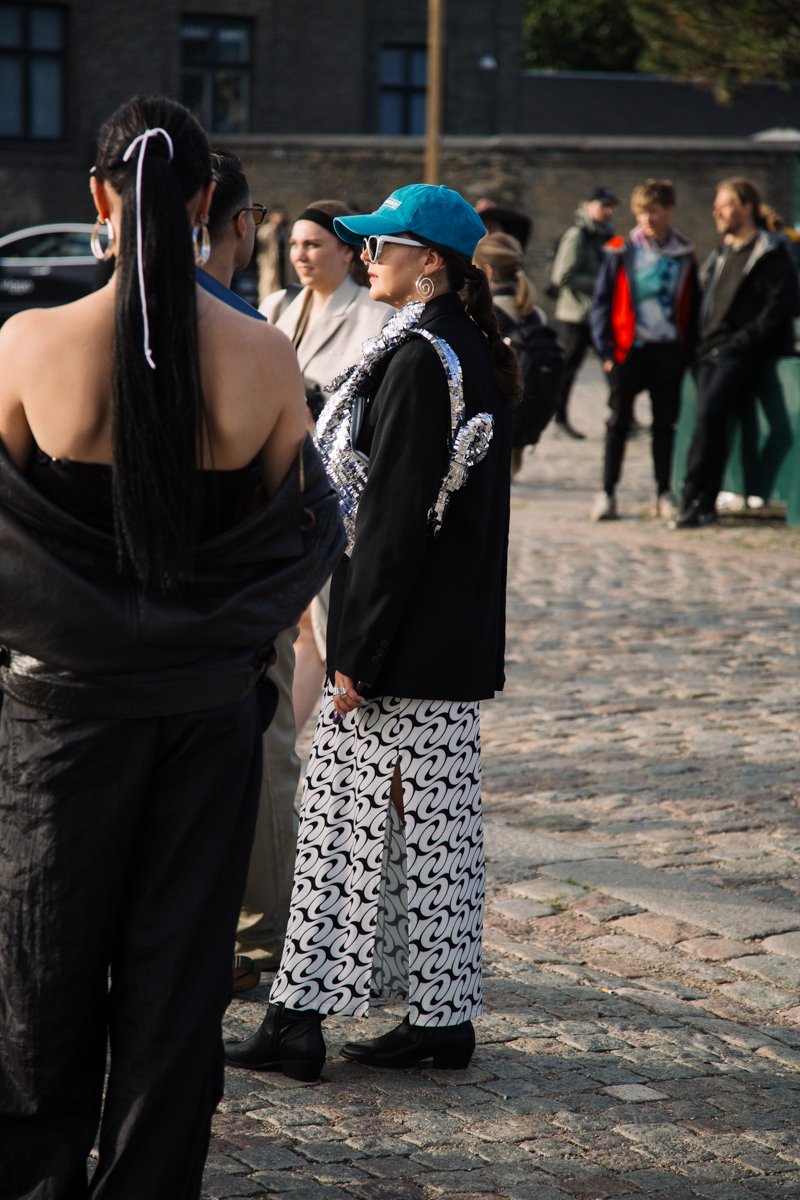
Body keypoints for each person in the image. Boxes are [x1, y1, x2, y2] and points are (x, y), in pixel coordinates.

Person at [0, 96, 344, 1199]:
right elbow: (305, 539)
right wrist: (206, 635)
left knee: (39, 975)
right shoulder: (264, 356)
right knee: (177, 975)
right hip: (202, 717)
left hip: (58, 715)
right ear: (207, 204)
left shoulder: (26, 342)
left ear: (96, 198)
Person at [224, 182, 517, 1082]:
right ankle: (441, 1015)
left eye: (385, 246)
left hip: (396, 645)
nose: (368, 256)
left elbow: (392, 526)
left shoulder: (425, 358)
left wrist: (356, 654)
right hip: (440, 641)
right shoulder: (457, 347)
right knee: (434, 832)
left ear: (431, 262)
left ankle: (297, 1023)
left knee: (334, 829)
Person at [197, 150, 301, 987]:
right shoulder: (253, 339)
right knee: (266, 752)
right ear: (240, 224)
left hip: (110, 604)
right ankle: (260, 942)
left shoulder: (59, 328)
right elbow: (301, 501)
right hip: (236, 597)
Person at [261, 200, 392, 733]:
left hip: (333, 491)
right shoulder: (274, 307)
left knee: (324, 621)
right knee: (290, 624)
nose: (301, 255)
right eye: (294, 244)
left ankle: (325, 744)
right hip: (275, 486)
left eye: (314, 244)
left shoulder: (373, 315)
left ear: (347, 251)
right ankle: (287, 738)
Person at [675, 177, 800, 528]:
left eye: (726, 204)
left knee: (711, 415)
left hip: (742, 352)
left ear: (747, 208)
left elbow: (781, 306)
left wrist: (741, 342)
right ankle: (699, 500)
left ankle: (696, 498)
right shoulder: (721, 254)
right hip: (710, 352)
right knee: (707, 421)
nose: (718, 211)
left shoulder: (770, 254)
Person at [590, 179, 700, 522]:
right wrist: (606, 352)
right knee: (618, 423)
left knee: (665, 426)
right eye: (640, 212)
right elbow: (601, 302)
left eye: (653, 211)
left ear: (668, 210)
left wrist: (688, 352)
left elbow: (694, 305)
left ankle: (663, 492)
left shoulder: (684, 254)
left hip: (668, 350)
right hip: (627, 351)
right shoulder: (621, 250)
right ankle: (607, 492)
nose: (647, 219)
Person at [473, 231, 562, 476]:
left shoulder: (478, 315)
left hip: (489, 423)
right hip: (522, 420)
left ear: (487, 271)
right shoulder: (536, 314)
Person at [549, 185, 618, 438]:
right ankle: (559, 417)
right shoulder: (578, 235)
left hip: (597, 314)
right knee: (569, 368)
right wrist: (601, 283)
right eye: (603, 206)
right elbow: (562, 275)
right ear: (588, 206)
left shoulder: (604, 236)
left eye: (611, 207)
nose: (608, 212)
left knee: (612, 362)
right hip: (576, 315)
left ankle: (622, 414)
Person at [256, 203, 290, 302]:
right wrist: (273, 228)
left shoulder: (286, 231)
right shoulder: (267, 231)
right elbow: (261, 239)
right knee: (269, 292)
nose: (279, 218)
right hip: (270, 267)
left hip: (284, 266)